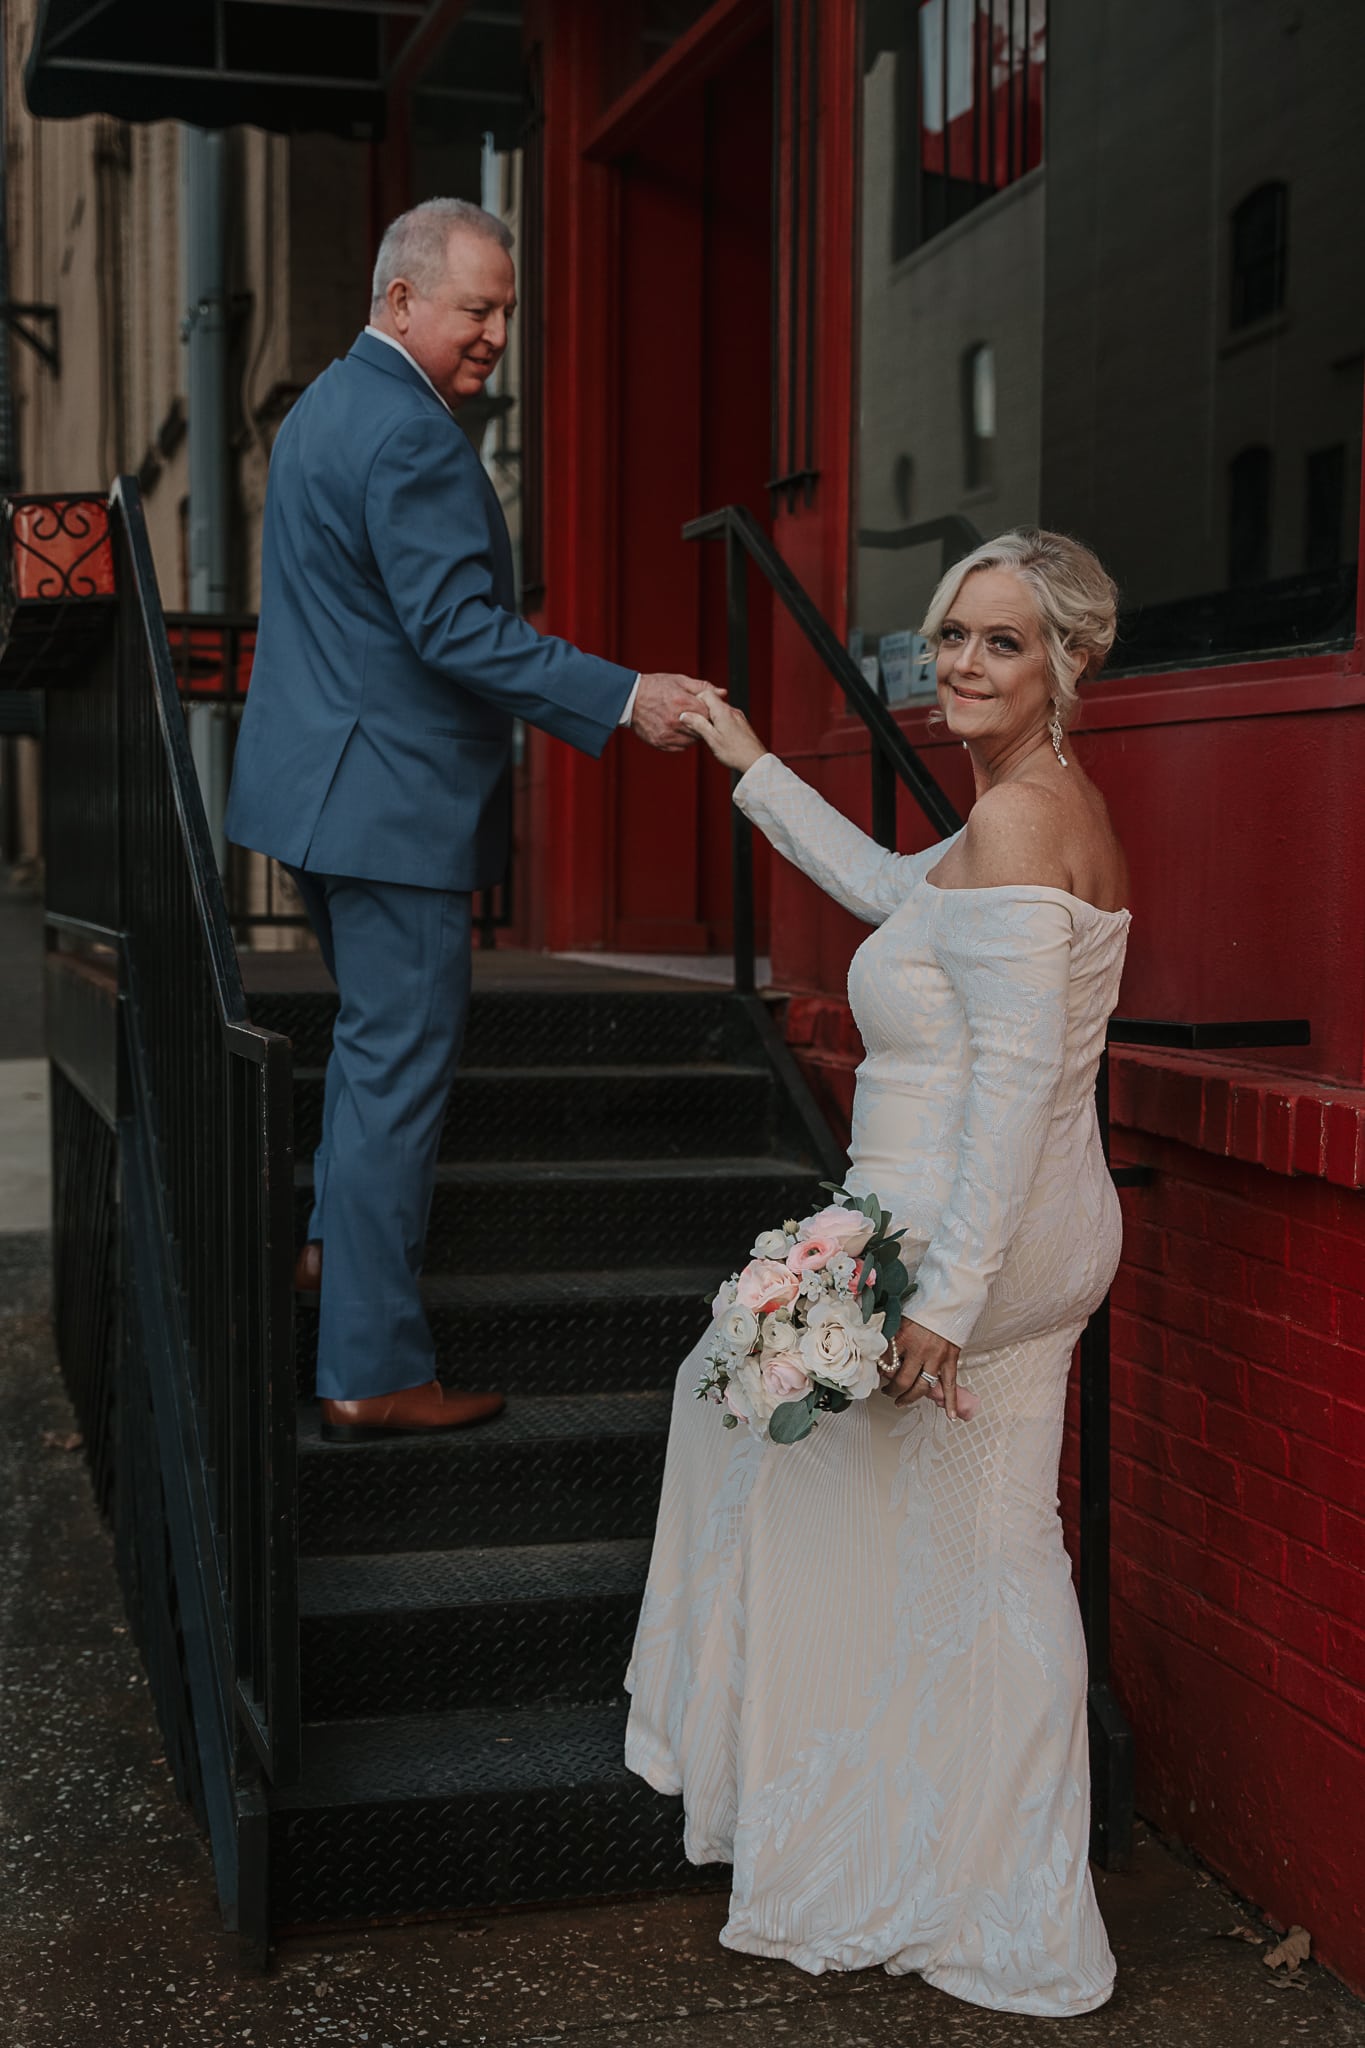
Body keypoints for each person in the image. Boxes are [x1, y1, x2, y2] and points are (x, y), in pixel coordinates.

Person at [625, 529, 1130, 2017]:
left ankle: (976, 1871)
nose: (963, 667)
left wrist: (946, 1305)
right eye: (951, 638)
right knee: (972, 1544)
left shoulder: (1032, 824)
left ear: (1067, 666)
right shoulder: (1006, 820)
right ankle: (943, 1848)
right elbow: (883, 884)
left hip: (986, 1234)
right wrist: (746, 755)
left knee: (929, 1528)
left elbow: (1020, 1087)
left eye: (1002, 644)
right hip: (1000, 1224)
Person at [225, 198, 713, 1440]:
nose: (496, 331)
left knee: (372, 1052)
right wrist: (627, 694)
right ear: (400, 301)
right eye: (475, 307)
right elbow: (454, 630)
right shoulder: (414, 436)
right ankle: (373, 1369)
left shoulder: (322, 412)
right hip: (392, 809)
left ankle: (338, 1257)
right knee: (399, 1068)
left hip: (322, 801)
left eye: (506, 309)